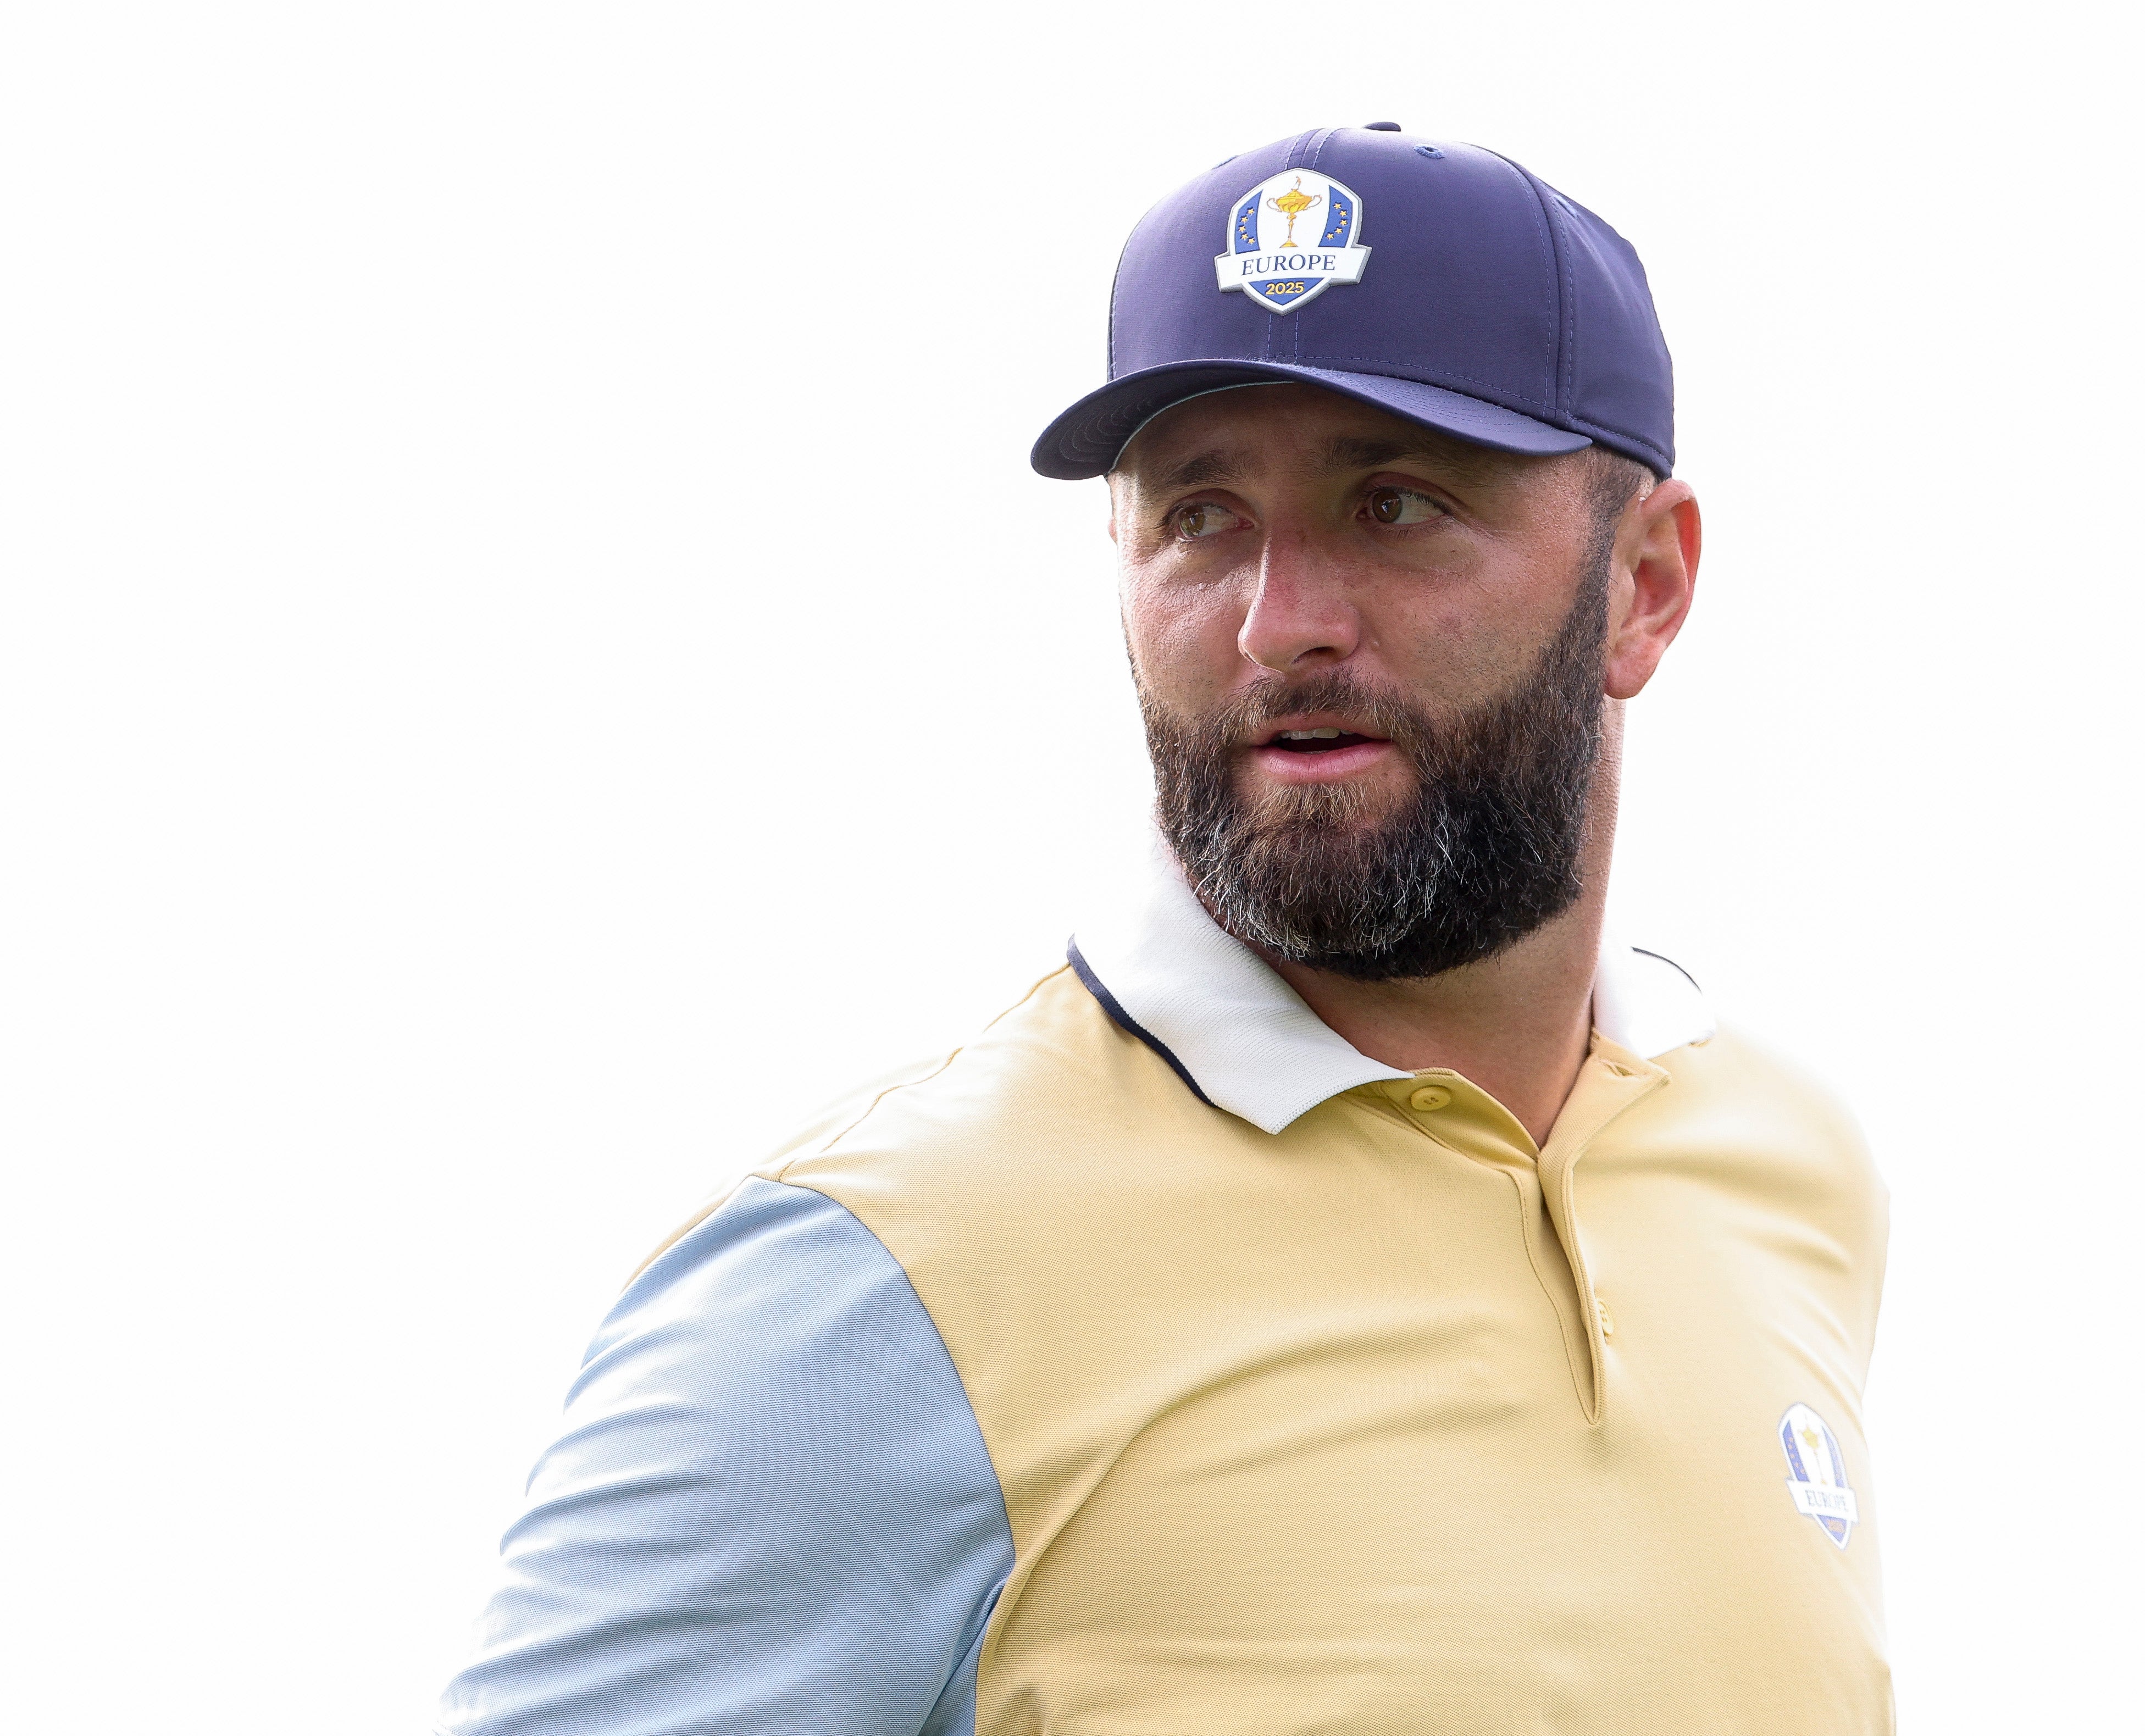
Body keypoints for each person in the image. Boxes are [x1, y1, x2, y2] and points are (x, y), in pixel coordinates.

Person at [440, 123, 1893, 1735]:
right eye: (1199, 518)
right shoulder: (876, 1276)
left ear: (1644, 585)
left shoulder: (1779, 1168)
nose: (1282, 623)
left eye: (1396, 505)